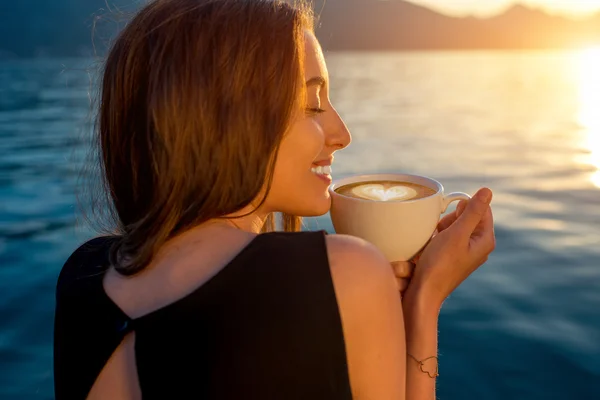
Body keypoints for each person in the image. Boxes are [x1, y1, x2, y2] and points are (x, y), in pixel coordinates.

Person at [53, 0, 496, 399]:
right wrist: (424, 300)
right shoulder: (344, 273)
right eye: (312, 105)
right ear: (229, 117)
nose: (342, 135)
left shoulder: (82, 275)